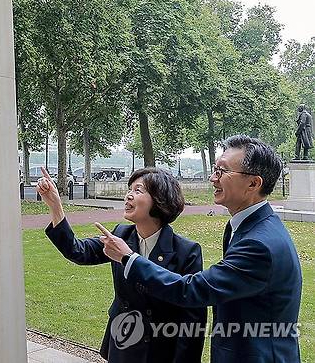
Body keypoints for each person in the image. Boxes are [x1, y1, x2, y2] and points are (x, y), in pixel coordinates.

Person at [98, 135, 302, 363]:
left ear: (253, 183)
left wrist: (129, 258)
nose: (213, 178)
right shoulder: (245, 226)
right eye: (215, 169)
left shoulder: (259, 244)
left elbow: (192, 290)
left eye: (222, 172)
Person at [37, 166, 205, 362]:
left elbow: (193, 318)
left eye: (138, 190)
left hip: (161, 349)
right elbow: (77, 251)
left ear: (160, 199)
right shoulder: (120, 235)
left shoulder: (187, 251)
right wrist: (55, 206)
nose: (128, 196)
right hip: (123, 343)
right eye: (129, 189)